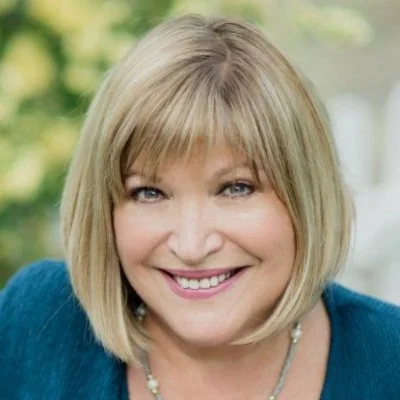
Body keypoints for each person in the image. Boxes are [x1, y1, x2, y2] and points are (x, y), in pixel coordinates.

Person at [0, 14, 399, 400]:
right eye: (149, 193)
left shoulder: (389, 362)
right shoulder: (38, 321)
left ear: (307, 198)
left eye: (236, 188)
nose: (191, 246)